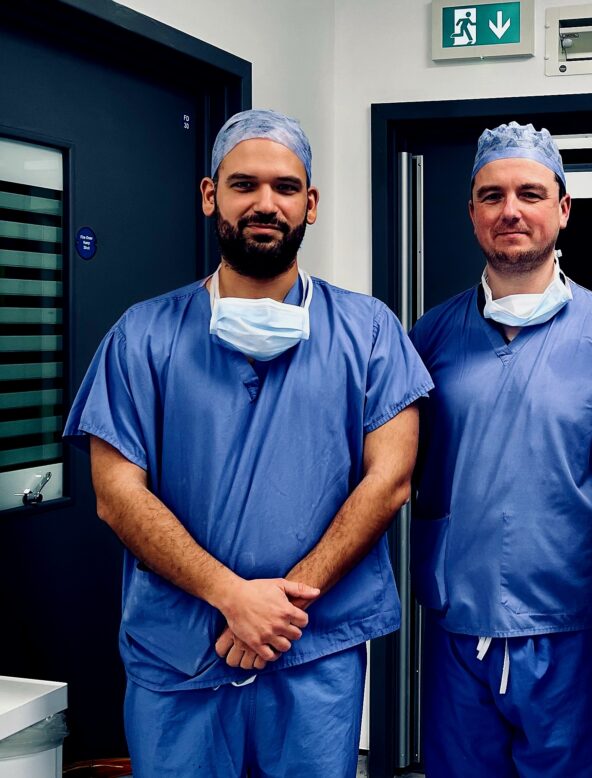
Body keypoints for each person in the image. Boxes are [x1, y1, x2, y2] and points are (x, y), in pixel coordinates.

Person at [64, 109, 432, 778]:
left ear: (310, 204)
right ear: (212, 196)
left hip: (311, 653)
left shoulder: (370, 331)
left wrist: (281, 606)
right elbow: (116, 495)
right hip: (181, 652)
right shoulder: (142, 336)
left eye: (286, 187)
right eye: (245, 184)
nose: (266, 203)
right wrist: (232, 596)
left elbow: (391, 479)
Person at [410, 121, 592, 777]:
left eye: (530, 193)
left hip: (569, 623)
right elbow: (395, 468)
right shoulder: (430, 337)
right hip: (460, 619)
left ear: (563, 208)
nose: (510, 210)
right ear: (473, 212)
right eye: (492, 195)